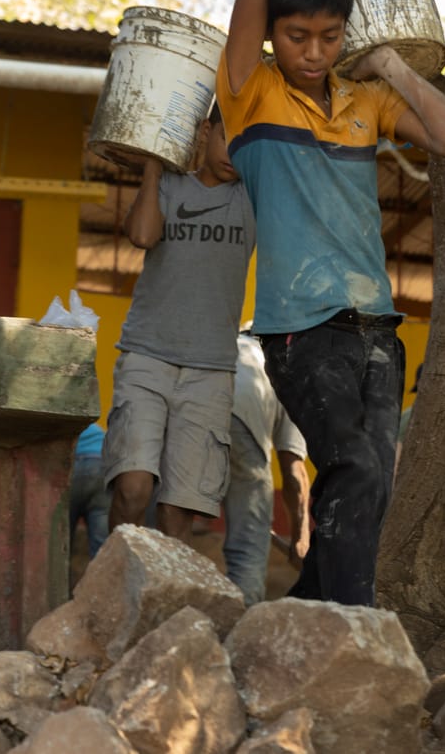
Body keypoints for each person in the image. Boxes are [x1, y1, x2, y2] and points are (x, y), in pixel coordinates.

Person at [215, 0, 445, 606]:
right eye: (298, 36)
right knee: (354, 468)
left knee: (371, 484)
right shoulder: (250, 92)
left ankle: (306, 613)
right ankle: (353, 628)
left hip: (376, 329)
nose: (313, 51)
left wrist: (393, 65)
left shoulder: (367, 100)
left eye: (330, 36)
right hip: (302, 330)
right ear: (272, 33)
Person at [102, 103, 256, 545]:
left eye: (248, 143)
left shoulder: (251, 197)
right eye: (229, 137)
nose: (235, 152)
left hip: (211, 372)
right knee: (134, 489)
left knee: (177, 511)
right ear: (206, 131)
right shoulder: (169, 186)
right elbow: (143, 235)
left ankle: (162, 604)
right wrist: (153, 165)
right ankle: (114, 587)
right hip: (147, 358)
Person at [223, 331, 310, 606]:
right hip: (242, 425)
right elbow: (294, 474)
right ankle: (241, 631)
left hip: (196, 403)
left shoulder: (230, 344)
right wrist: (300, 536)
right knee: (247, 547)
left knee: (171, 528)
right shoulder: (287, 368)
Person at [69, 422, 110, 558]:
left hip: (75, 464)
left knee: (62, 539)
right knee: (102, 546)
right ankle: (103, 578)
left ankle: (57, 579)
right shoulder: (94, 427)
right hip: (103, 465)